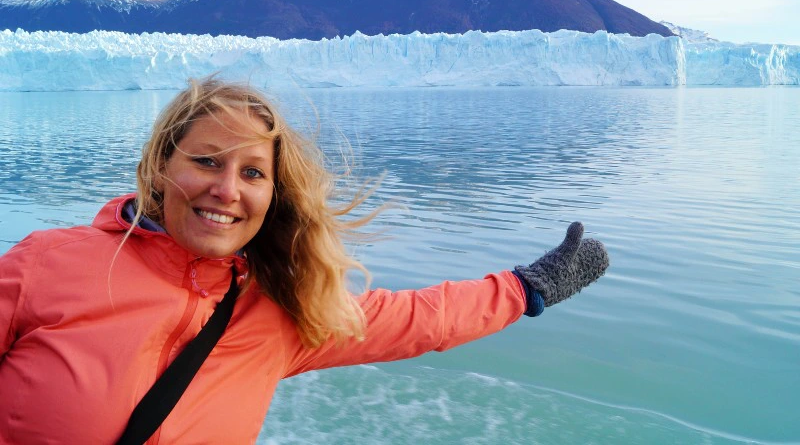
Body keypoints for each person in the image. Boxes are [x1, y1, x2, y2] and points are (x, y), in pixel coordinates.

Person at [0, 77, 609, 444]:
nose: (227, 189)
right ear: (163, 168)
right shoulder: (47, 267)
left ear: (273, 195)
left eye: (253, 173)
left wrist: (530, 287)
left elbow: (421, 319)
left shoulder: (279, 315)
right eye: (207, 161)